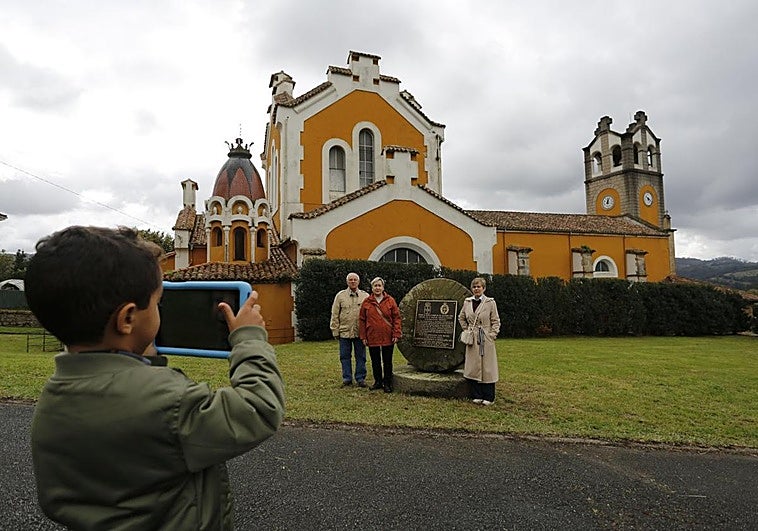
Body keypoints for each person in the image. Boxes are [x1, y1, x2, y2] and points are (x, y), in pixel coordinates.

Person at [24, 226, 285, 530]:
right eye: (159, 302)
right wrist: (249, 338)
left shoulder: (53, 401)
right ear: (128, 318)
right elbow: (258, 409)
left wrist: (138, 356)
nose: (161, 312)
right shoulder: (169, 402)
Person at [458, 276, 501, 405]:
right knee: (474, 366)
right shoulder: (468, 302)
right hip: (473, 337)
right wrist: (468, 329)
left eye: (479, 287)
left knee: (487, 367)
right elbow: (461, 317)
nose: (476, 289)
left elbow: (496, 320)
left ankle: (489, 396)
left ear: (484, 288)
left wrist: (492, 334)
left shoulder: (490, 303)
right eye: (474, 287)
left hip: (485, 337)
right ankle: (477, 394)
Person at [359, 277, 402, 393]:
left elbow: (396, 318)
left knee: (387, 361)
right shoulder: (367, 302)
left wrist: (396, 333)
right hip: (372, 336)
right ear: (372, 288)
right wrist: (363, 336)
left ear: (383, 287)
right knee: (375, 360)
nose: (377, 288)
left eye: (379, 286)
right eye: (375, 286)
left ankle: (387, 383)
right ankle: (378, 381)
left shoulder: (390, 301)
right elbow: (362, 320)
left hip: (387, 335)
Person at [330, 272, 369, 387]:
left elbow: (369, 316)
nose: (353, 282)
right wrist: (335, 330)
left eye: (355, 280)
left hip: (359, 333)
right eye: (350, 280)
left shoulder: (365, 296)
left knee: (361, 357)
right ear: (347, 282)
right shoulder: (340, 296)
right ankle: (347, 378)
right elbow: (335, 313)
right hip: (344, 332)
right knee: (345, 356)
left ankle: (360, 378)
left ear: (358, 282)